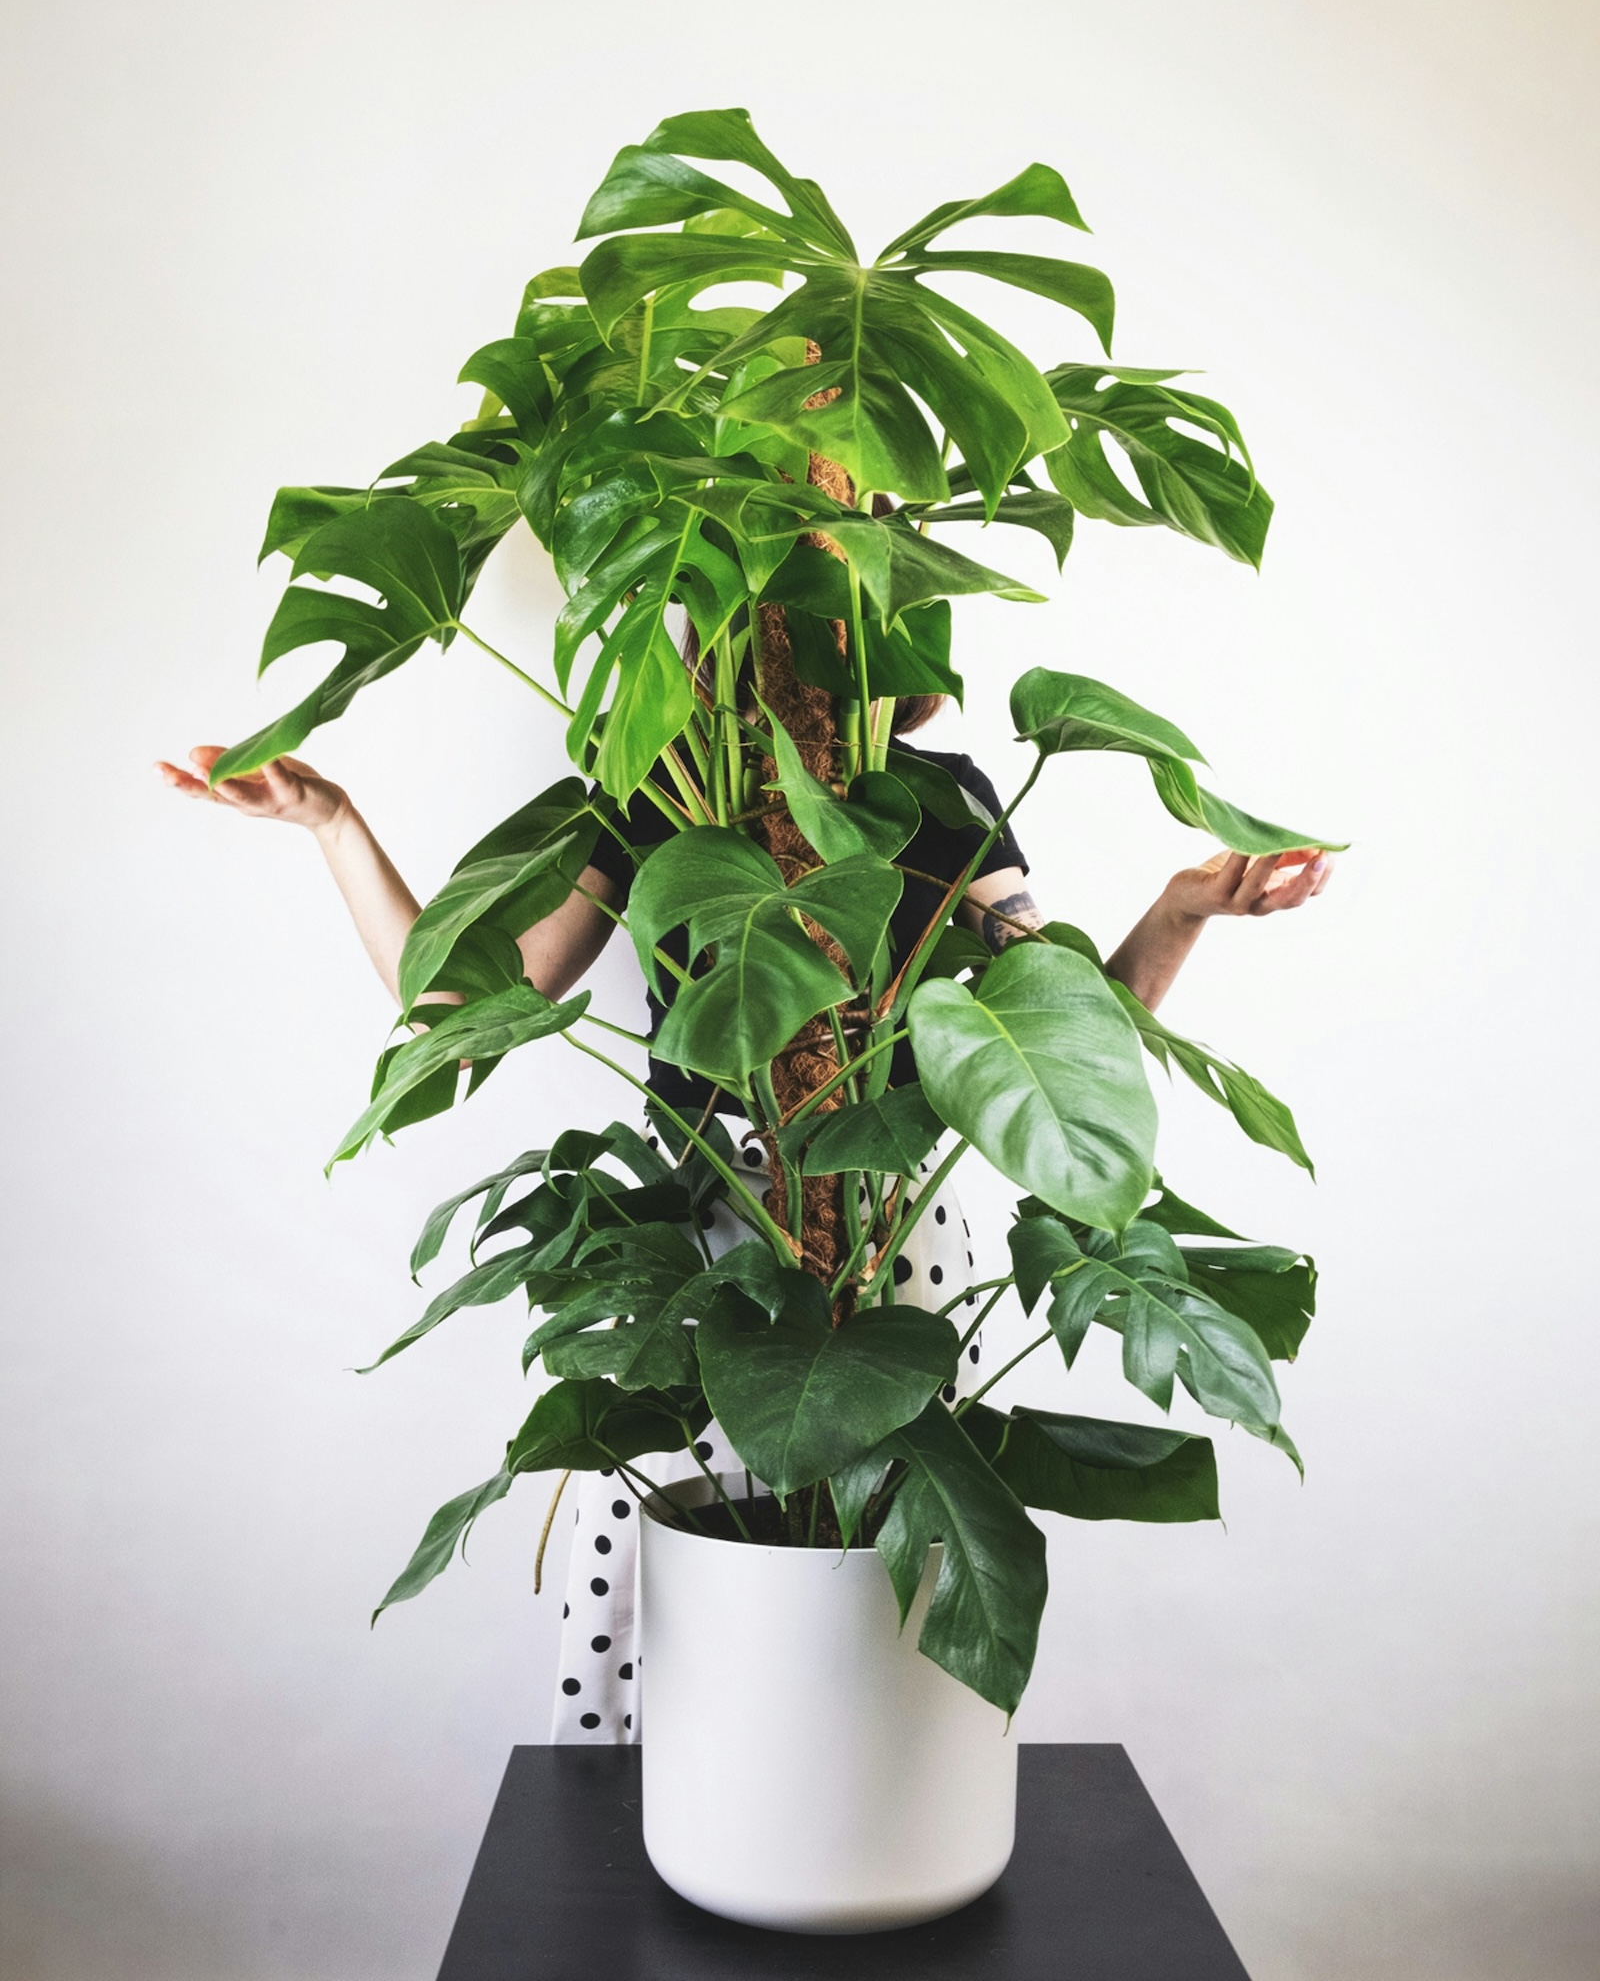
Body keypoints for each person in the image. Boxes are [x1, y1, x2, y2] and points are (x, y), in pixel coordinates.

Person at [157, 704, 1331, 1742]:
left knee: (890, 1554)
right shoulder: (657, 788)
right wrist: (333, 821)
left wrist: (1182, 910)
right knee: (650, 1554)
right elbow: (462, 1006)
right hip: (709, 1231)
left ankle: (876, 1811)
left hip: (889, 1227)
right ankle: (663, 1830)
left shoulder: (940, 794)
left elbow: (1056, 1041)